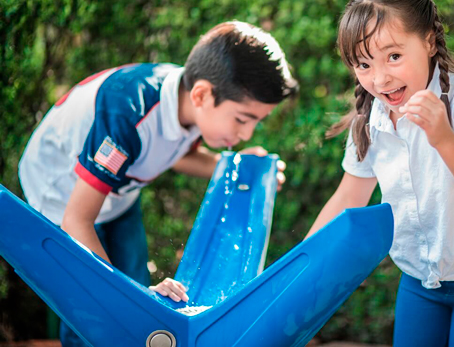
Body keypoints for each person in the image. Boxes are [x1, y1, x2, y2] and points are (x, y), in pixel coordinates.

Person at [18, 21, 298, 346]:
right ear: (203, 95)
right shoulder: (128, 114)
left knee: (133, 278)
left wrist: (240, 169)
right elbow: (76, 221)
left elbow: (176, 155)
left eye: (256, 122)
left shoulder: (192, 102)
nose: (247, 134)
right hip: (60, 198)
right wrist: (130, 299)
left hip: (117, 190)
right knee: (91, 307)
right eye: (241, 119)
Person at [305, 0, 454, 347]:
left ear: (428, 41)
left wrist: (443, 138)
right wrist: (297, 270)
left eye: (394, 56)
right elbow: (347, 199)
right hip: (421, 281)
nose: (379, 78)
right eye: (363, 64)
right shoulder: (371, 119)